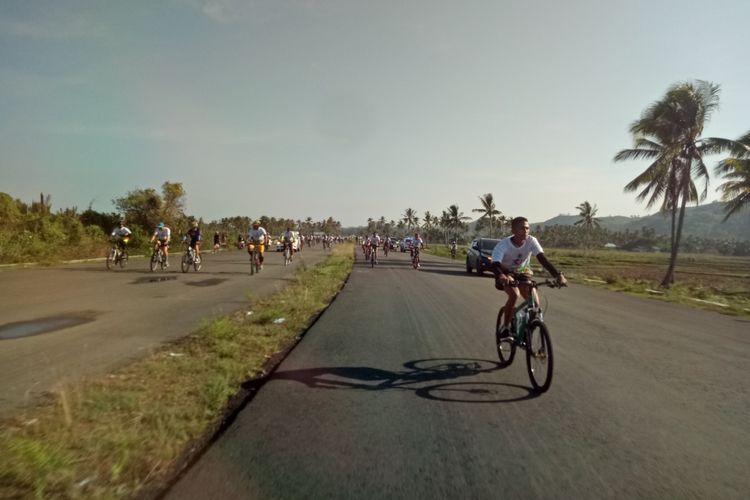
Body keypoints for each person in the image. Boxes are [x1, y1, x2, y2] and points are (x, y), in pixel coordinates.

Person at [490, 216, 567, 338]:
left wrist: (558, 275)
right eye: (522, 228)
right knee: (514, 294)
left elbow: (543, 259)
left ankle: (527, 332)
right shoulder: (503, 245)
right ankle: (505, 328)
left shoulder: (531, 241)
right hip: (504, 272)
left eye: (527, 228)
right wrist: (501, 276)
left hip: (522, 273)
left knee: (535, 306)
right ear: (513, 231)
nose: (526, 231)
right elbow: (495, 264)